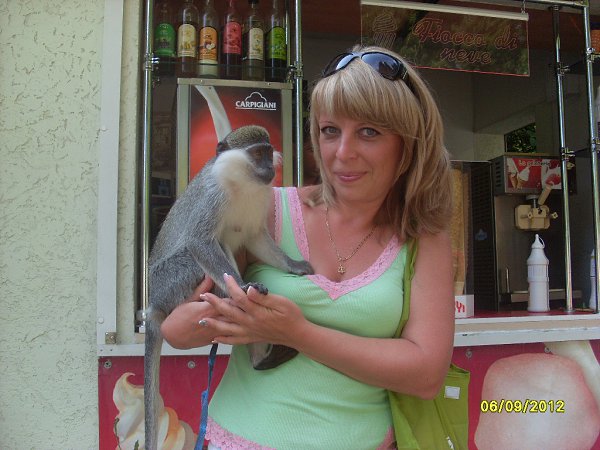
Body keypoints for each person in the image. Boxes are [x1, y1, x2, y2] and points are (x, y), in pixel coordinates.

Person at [160, 45, 455, 450]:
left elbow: (426, 375)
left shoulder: (424, 237)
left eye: (369, 132)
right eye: (330, 130)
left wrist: (296, 333)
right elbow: (176, 330)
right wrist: (215, 318)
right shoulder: (266, 209)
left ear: (409, 142)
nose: (343, 153)